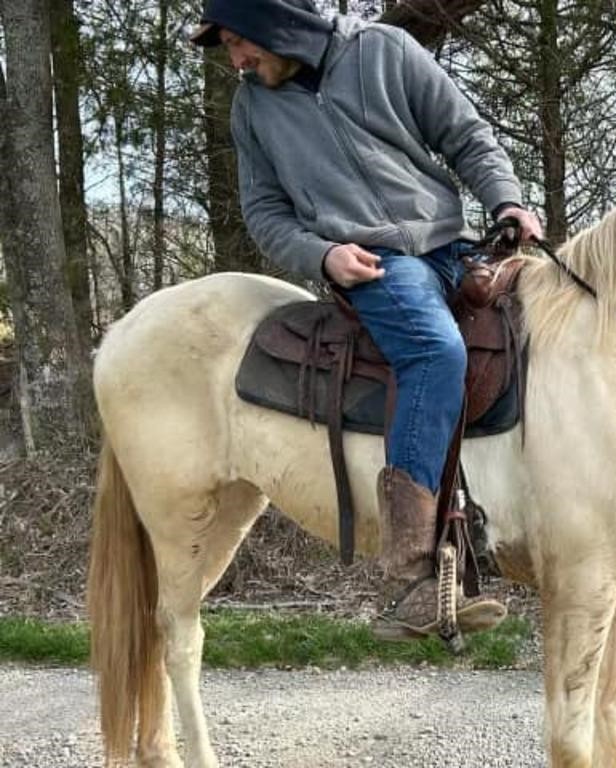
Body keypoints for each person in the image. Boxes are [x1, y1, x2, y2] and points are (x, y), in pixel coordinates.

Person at [191, 0, 543, 641]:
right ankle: (412, 577)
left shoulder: (386, 52)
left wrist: (508, 200)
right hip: (378, 265)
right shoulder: (254, 108)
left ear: (279, 26)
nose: (236, 60)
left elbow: (466, 135)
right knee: (436, 355)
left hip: (452, 243)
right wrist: (323, 255)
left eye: (242, 42)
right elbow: (265, 213)